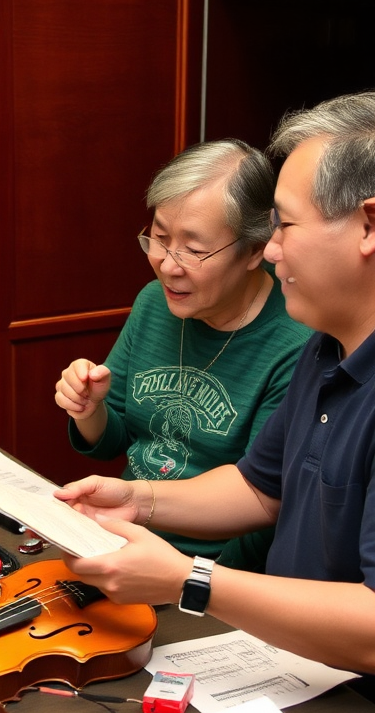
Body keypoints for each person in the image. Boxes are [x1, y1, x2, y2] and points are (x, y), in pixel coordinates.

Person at [55, 91, 375, 679]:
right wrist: (139, 500)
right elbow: (259, 488)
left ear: (368, 226)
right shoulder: (325, 345)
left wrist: (192, 580)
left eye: (285, 226)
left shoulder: (296, 338)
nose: (271, 248)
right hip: (288, 655)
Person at [54, 140, 311, 569]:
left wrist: (195, 585)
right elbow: (114, 442)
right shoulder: (155, 302)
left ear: (255, 249)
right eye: (159, 238)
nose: (167, 265)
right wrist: (89, 410)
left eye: (194, 250)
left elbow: (264, 500)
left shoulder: (296, 340)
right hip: (122, 534)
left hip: (210, 568)